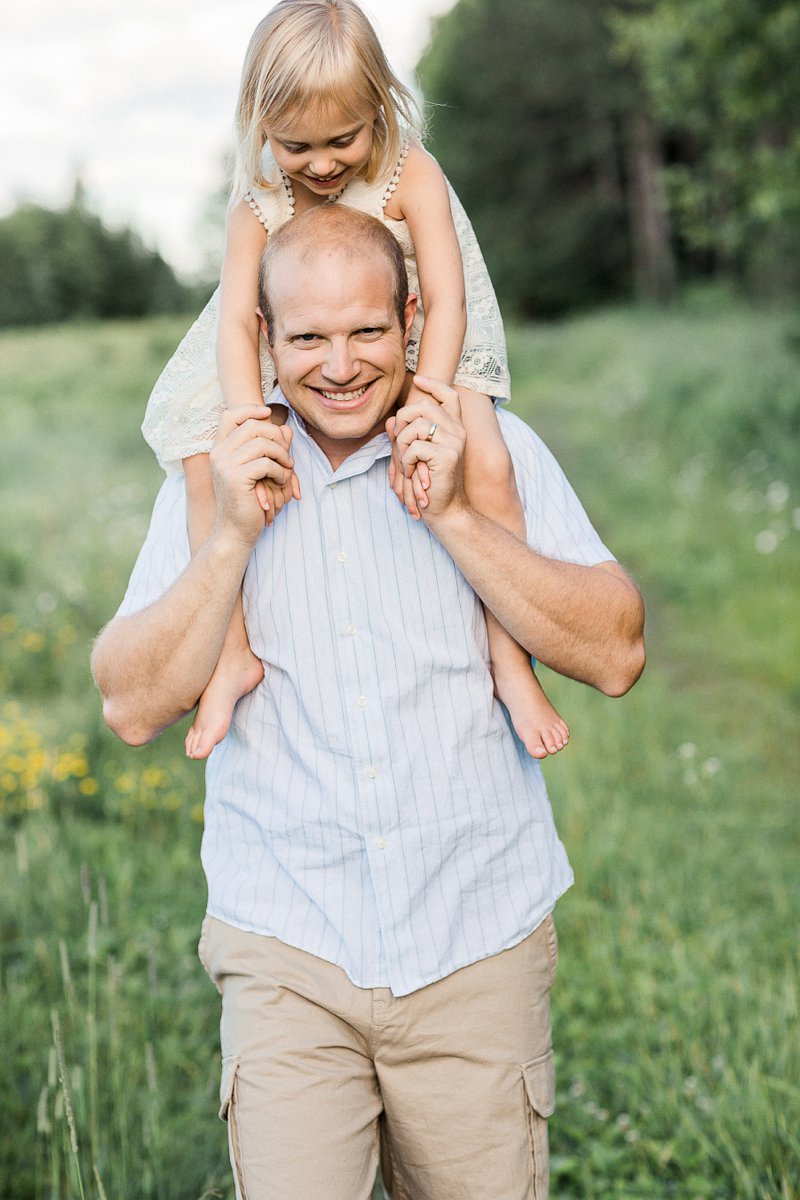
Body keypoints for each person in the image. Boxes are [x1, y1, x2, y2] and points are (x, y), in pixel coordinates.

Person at [92, 203, 645, 1200]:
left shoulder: (484, 446)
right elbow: (131, 704)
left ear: (413, 319)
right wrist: (227, 542)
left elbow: (613, 651)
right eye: (306, 336)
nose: (338, 365)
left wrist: (455, 518)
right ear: (262, 339)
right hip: (287, 949)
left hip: (474, 939)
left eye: (365, 331)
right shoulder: (217, 474)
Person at [141, 0, 570, 764]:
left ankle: (511, 663)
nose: (323, 164)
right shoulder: (258, 204)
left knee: (491, 467)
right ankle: (230, 653)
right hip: (296, 341)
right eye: (296, 145)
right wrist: (244, 418)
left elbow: (447, 298)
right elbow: (241, 324)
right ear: (260, 128)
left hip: (426, 339)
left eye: (344, 139)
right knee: (208, 465)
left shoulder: (411, 173)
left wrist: (430, 401)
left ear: (381, 106)